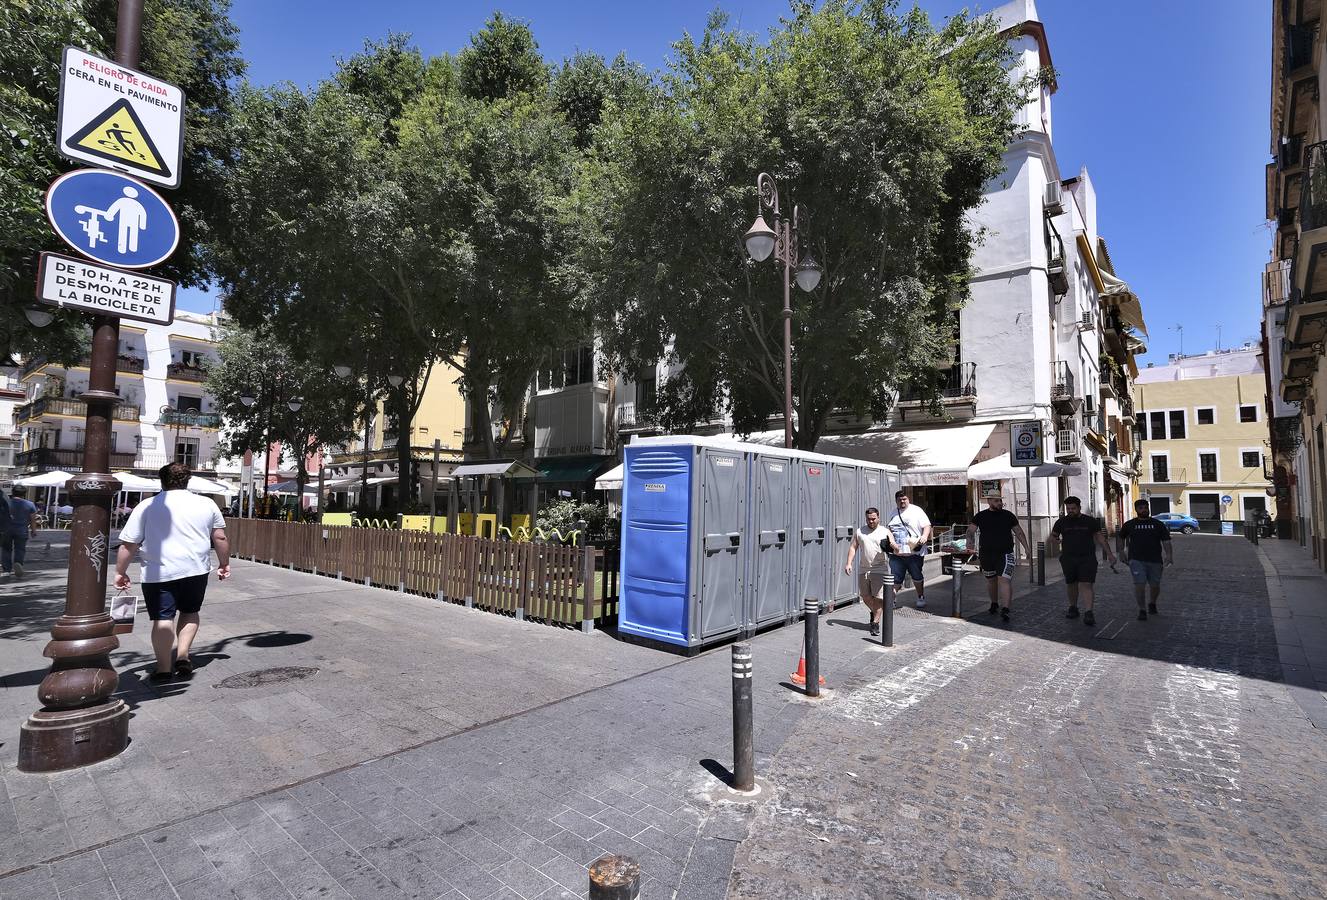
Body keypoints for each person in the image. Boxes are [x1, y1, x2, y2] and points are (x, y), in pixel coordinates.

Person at [114, 463, 231, 683]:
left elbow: (128, 544)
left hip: (159, 572)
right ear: (188, 480)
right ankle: (183, 655)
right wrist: (224, 563)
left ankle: (163, 668)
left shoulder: (147, 506)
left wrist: (120, 572)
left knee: (162, 619)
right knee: (189, 611)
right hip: (196, 569)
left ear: (162, 481)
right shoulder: (206, 503)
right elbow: (220, 538)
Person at [1049, 496, 1116, 627]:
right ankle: (1073, 607)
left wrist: (1110, 555)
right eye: (1068, 508)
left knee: (1086, 584)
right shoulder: (1061, 522)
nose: (1070, 511)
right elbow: (1053, 536)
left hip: (1087, 558)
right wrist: (1055, 541)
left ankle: (1089, 612)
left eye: (1073, 508)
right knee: (1071, 583)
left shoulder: (1090, 521)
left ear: (1079, 507)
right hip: (1068, 558)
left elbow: (1100, 538)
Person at [967, 493, 1031, 623]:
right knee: (991, 580)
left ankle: (1006, 609)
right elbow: (970, 531)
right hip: (986, 554)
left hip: (1005, 554)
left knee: (1004, 580)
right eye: (996, 501)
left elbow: (1018, 531)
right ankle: (994, 603)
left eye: (1000, 501)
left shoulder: (1008, 516)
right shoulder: (980, 516)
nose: (1000, 503)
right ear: (989, 501)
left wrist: (1027, 547)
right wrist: (969, 543)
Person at [1118, 498, 1173, 621]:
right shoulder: (1130, 524)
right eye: (1141, 508)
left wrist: (1169, 555)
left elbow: (1166, 541)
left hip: (1155, 559)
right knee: (1140, 584)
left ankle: (1152, 602)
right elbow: (1120, 537)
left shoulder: (1158, 524)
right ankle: (1142, 610)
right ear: (1136, 510)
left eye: (1145, 507)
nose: (1143, 510)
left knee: (1155, 585)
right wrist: (1121, 552)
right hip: (1136, 559)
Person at [844, 506, 892, 636]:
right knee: (865, 596)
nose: (871, 521)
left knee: (878, 597)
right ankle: (875, 611)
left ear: (878, 518)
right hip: (864, 569)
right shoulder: (860, 531)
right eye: (868, 519)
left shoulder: (885, 531)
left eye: (873, 519)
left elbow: (894, 547)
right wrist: (849, 563)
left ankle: (875, 623)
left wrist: (893, 547)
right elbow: (853, 547)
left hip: (880, 568)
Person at [886, 490, 932, 609]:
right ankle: (892, 600)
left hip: (914, 552)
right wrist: (891, 542)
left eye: (904, 499)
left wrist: (924, 536)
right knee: (895, 578)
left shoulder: (916, 510)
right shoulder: (893, 512)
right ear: (896, 501)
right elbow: (889, 529)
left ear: (908, 499)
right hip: (897, 553)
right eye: (899, 500)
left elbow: (927, 525)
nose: (902, 501)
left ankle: (920, 596)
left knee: (916, 575)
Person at [3, 486, 38, 579]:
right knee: (20, 549)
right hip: (22, 530)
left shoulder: (5, 503)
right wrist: (33, 531)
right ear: (24, 494)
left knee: (6, 549)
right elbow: (33, 519)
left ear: (12, 492)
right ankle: (18, 564)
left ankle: (6, 570)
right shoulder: (30, 504)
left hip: (6, 530)